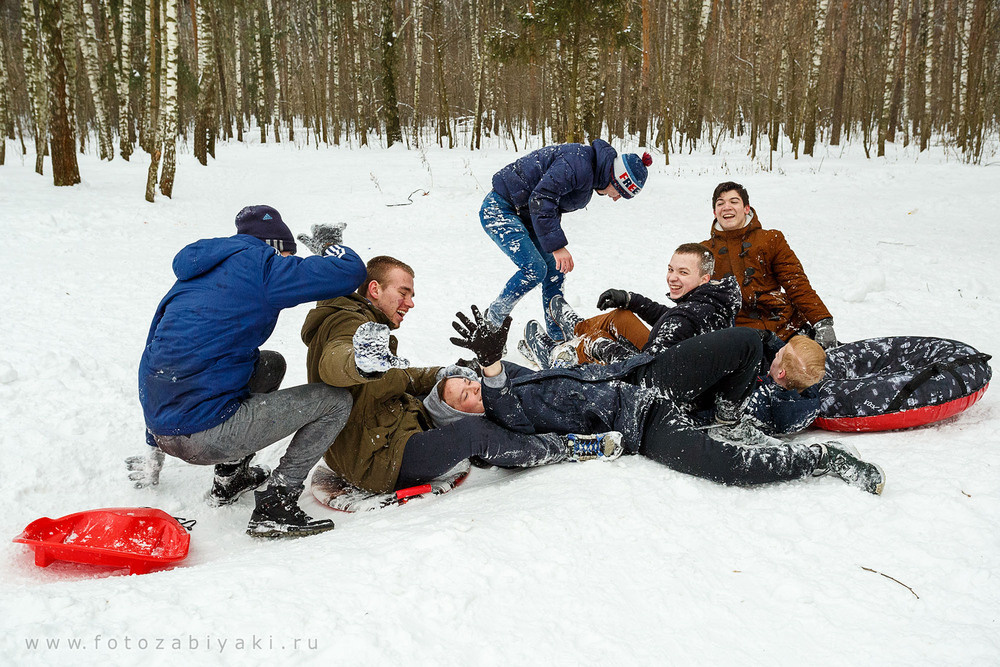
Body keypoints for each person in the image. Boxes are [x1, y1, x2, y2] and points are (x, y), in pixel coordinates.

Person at [448, 306, 885, 494]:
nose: (471, 391)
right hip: (643, 416)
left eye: (466, 384)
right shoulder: (507, 418)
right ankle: (825, 460)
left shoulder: (518, 385)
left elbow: (504, 379)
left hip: (645, 378)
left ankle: (741, 403)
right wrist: (489, 371)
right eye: (463, 397)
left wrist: (483, 363)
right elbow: (502, 404)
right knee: (728, 466)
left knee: (743, 342)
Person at [132, 206, 367, 539]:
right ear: (275, 246)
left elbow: (157, 361)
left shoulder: (197, 273)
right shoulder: (264, 266)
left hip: (163, 427)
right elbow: (349, 271)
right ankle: (277, 505)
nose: (289, 261)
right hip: (202, 434)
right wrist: (329, 246)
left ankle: (231, 478)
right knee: (334, 402)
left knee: (270, 363)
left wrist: (153, 441)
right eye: (288, 255)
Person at [300, 256, 621, 495]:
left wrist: (445, 371)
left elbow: (401, 379)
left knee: (482, 374)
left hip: (382, 432)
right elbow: (335, 360)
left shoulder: (359, 318)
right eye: (404, 292)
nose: (411, 302)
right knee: (474, 432)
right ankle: (568, 447)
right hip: (375, 459)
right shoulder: (350, 328)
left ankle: (557, 387)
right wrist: (359, 361)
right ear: (374, 289)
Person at [481, 140, 653, 341]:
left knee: (555, 270)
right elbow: (542, 199)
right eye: (621, 193)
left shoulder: (588, 173)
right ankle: (491, 324)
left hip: (526, 214)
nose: (617, 199)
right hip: (501, 208)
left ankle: (557, 337)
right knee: (534, 269)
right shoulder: (577, 164)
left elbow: (550, 205)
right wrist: (557, 246)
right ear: (616, 180)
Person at [520, 242, 741, 368]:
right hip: (667, 355)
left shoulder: (697, 312)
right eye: (671, 269)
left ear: (705, 278)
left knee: (597, 341)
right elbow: (671, 318)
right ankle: (577, 328)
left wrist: (600, 345)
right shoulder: (706, 299)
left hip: (664, 374)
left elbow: (648, 370)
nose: (672, 278)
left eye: (683, 272)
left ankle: (557, 356)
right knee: (621, 317)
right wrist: (630, 299)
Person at [702, 182, 838, 349]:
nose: (727, 207)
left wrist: (822, 321)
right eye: (720, 203)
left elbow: (796, 283)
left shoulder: (771, 240)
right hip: (739, 339)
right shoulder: (704, 251)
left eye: (734, 201)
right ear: (715, 212)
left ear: (746, 208)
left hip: (785, 328)